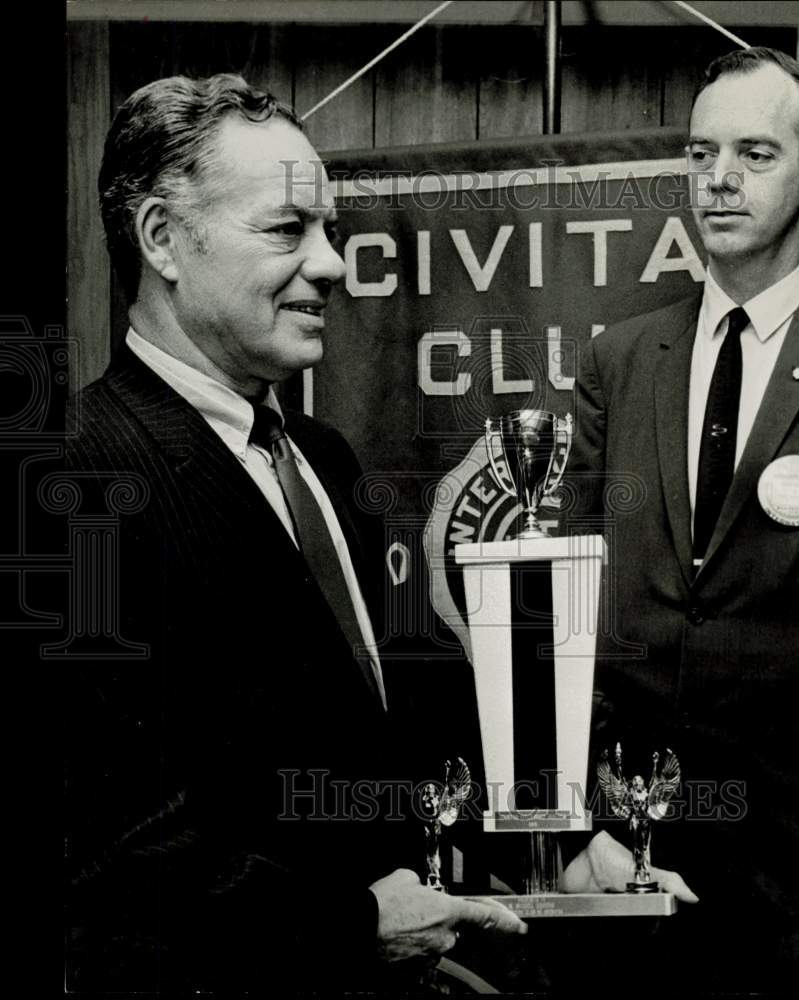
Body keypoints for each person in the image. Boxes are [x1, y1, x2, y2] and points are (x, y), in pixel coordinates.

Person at [63, 73, 535, 994]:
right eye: (288, 229)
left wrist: (563, 842)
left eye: (326, 228)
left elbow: (400, 720)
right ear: (161, 238)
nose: (332, 263)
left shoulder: (323, 455)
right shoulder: (71, 478)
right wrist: (352, 925)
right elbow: (102, 857)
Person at [567, 47, 799, 993]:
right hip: (626, 865)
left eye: (755, 154)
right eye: (701, 154)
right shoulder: (620, 360)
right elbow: (569, 616)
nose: (719, 180)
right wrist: (577, 828)